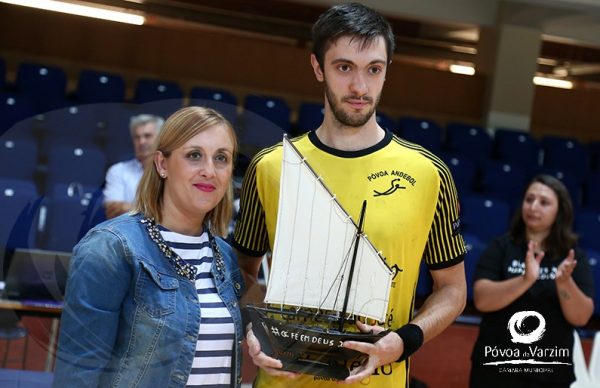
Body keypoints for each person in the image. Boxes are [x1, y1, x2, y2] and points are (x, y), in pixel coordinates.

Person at [232, 3, 466, 387]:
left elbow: (453, 289)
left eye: (374, 69)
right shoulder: (271, 167)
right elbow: (243, 271)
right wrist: (253, 329)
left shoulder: (429, 174)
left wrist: (403, 342)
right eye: (344, 68)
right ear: (317, 67)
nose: (360, 87)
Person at [53, 107, 246, 388]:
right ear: (162, 164)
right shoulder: (110, 248)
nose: (209, 171)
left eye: (221, 158)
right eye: (194, 155)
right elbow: (79, 372)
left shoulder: (225, 257)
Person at [470, 174, 594, 388]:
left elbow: (581, 317)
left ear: (559, 211)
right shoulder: (501, 247)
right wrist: (525, 280)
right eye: (529, 199)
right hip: (495, 366)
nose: (533, 206)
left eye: (544, 202)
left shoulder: (573, 258)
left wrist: (565, 283)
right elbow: (482, 300)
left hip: (550, 371)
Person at [103, 113, 164, 219]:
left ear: (160, 138)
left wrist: (128, 207)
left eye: (147, 136)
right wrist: (156, 211)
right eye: (137, 137)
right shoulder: (118, 170)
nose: (141, 142)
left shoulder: (172, 171)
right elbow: (113, 211)